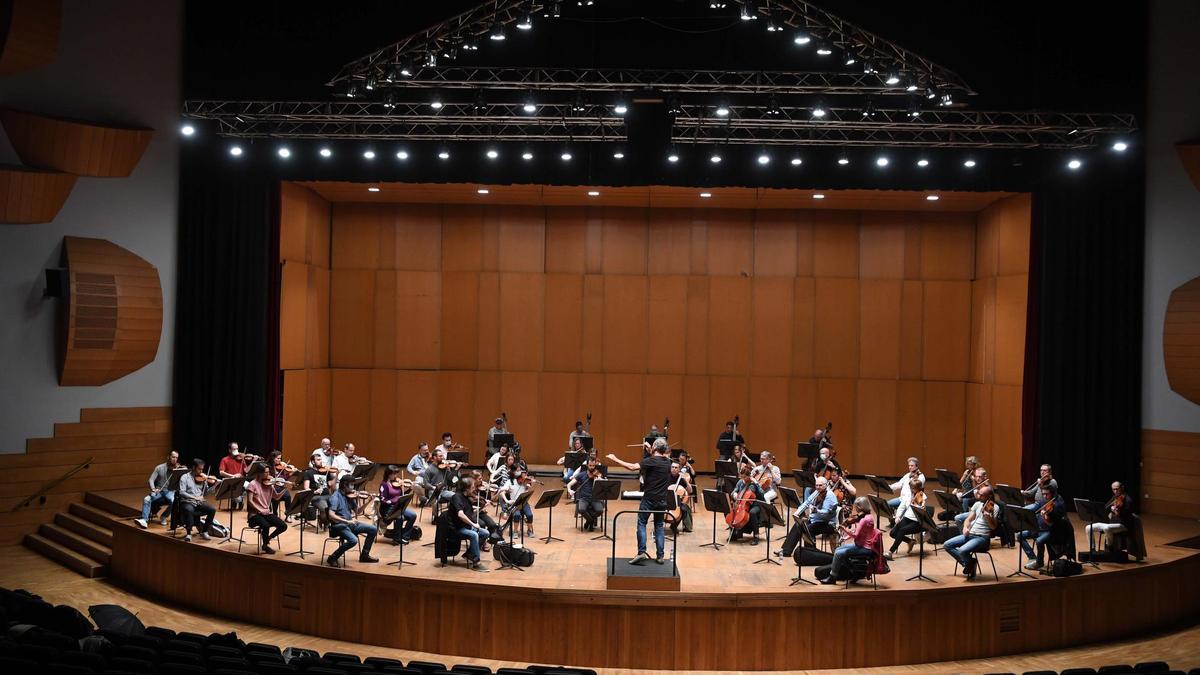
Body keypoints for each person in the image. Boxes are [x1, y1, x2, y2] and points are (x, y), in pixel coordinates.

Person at [608, 438, 673, 565]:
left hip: (649, 499)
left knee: (642, 523)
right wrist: (650, 450)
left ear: (654, 447)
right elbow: (657, 458)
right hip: (662, 500)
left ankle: (641, 552)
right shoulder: (668, 462)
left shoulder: (650, 461)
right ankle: (660, 556)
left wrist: (615, 459)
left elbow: (632, 467)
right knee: (659, 526)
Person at [817, 496, 878, 584]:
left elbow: (855, 534)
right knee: (838, 550)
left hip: (865, 548)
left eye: (856, 507)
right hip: (861, 545)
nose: (855, 510)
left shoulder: (864, 520)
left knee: (838, 553)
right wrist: (845, 537)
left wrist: (844, 529)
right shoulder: (868, 516)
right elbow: (858, 532)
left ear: (860, 507)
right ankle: (856, 572)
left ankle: (832, 577)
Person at [944, 485, 999, 579]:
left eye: (981, 495)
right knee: (947, 545)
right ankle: (970, 563)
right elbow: (968, 519)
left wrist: (988, 517)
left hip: (982, 538)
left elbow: (993, 527)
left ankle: (969, 564)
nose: (978, 496)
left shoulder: (995, 507)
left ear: (989, 496)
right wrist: (965, 528)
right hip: (970, 534)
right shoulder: (978, 504)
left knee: (962, 550)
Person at [326, 475, 378, 566]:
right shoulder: (335, 497)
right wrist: (346, 521)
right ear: (345, 485)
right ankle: (333, 557)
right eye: (351, 485)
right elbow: (331, 515)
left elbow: (358, 511)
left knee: (373, 529)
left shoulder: (348, 496)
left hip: (350, 524)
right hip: (339, 526)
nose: (353, 487)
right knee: (353, 540)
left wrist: (369, 500)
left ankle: (364, 555)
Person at [780, 475, 837, 558]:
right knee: (798, 525)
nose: (818, 487)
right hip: (816, 520)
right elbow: (806, 502)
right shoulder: (817, 492)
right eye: (816, 485)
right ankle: (786, 551)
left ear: (826, 485)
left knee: (807, 529)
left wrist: (816, 510)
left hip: (827, 523)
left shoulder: (829, 495)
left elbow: (826, 513)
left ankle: (810, 553)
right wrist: (797, 513)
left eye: (820, 485)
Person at [447, 477, 490, 571]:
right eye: (472, 487)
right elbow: (460, 514)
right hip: (457, 528)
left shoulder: (467, 498)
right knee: (474, 534)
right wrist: (473, 525)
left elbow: (470, 513)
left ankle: (469, 554)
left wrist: (481, 508)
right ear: (466, 489)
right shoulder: (457, 497)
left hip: (466, 526)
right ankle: (476, 563)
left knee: (485, 533)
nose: (474, 489)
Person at [1020, 484, 1066, 570]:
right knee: (1020, 535)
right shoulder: (1043, 501)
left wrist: (1045, 518)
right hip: (1038, 528)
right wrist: (1025, 513)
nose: (1044, 496)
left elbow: (1052, 525)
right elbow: (1035, 509)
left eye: (1047, 494)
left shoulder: (1057, 505)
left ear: (1052, 493)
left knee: (1039, 541)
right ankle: (1032, 557)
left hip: (1050, 531)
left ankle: (1039, 562)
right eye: (1043, 494)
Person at [244, 467, 287, 554]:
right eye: (266, 473)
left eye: (268, 472)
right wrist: (260, 510)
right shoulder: (252, 484)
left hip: (266, 513)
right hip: (254, 515)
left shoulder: (269, 484)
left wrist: (285, 488)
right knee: (266, 525)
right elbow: (250, 501)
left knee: (283, 526)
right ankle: (265, 545)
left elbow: (277, 497)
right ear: (259, 473)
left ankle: (268, 538)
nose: (268, 475)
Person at [136, 450, 180, 529]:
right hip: (159, 490)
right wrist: (153, 488)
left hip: (170, 491)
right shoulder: (159, 467)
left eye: (176, 458)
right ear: (168, 457)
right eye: (173, 457)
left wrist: (181, 471)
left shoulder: (178, 469)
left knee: (174, 501)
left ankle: (164, 516)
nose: (175, 459)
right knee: (146, 499)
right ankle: (144, 520)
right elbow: (151, 480)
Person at [177, 458, 218, 542]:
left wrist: (215, 485)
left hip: (199, 502)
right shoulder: (184, 477)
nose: (201, 471)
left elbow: (206, 493)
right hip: (187, 501)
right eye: (199, 469)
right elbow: (181, 492)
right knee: (189, 510)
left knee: (212, 509)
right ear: (193, 467)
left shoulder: (203, 478)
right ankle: (189, 533)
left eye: (202, 469)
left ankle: (204, 531)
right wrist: (194, 497)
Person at [886, 477, 926, 560]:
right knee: (893, 533)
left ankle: (890, 552)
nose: (911, 490)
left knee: (902, 530)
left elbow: (920, 508)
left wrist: (922, 505)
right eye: (910, 488)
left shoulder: (921, 495)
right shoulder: (908, 494)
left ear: (918, 489)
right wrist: (897, 517)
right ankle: (910, 541)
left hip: (917, 521)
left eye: (913, 489)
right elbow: (902, 506)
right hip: (907, 518)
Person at [1086, 481, 1135, 549]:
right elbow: (1105, 508)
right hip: (1110, 523)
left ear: (1122, 488)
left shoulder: (1128, 500)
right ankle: (1092, 548)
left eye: (1117, 489)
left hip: (1123, 525)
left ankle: (1110, 547)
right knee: (1088, 528)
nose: (1115, 491)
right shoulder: (1114, 498)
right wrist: (1107, 509)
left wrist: (1117, 511)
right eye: (1113, 489)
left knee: (1107, 528)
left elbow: (1127, 515)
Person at [378, 465, 417, 545]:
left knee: (413, 515)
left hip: (398, 507)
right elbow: (383, 500)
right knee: (400, 518)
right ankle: (397, 539)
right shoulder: (384, 484)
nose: (396, 476)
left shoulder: (397, 483)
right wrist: (394, 500)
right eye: (394, 474)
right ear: (388, 474)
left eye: (396, 474)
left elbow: (402, 496)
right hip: (388, 509)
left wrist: (410, 489)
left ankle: (405, 536)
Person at [729, 464, 766, 542]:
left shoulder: (754, 483)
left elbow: (762, 495)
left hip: (756, 504)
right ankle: (736, 534)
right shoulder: (740, 482)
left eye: (745, 477)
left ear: (749, 476)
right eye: (742, 477)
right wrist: (735, 494)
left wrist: (756, 484)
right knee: (730, 512)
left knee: (752, 513)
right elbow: (733, 492)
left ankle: (756, 536)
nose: (743, 479)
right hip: (743, 504)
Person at [567, 458, 605, 531]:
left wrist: (599, 480)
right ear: (587, 465)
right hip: (584, 498)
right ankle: (591, 522)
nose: (592, 467)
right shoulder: (581, 475)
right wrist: (569, 490)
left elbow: (603, 484)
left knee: (600, 510)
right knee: (581, 509)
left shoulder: (598, 474)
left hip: (595, 498)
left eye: (593, 466)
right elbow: (569, 484)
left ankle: (588, 522)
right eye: (590, 465)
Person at [499, 469, 535, 537]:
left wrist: (529, 486)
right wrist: (507, 501)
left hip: (524, 503)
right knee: (517, 515)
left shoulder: (525, 483)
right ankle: (515, 531)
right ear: (518, 478)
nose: (525, 480)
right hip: (514, 503)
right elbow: (502, 492)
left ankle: (529, 530)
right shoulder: (510, 482)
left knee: (530, 515)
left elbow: (529, 487)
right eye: (523, 478)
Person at [217, 442, 252, 508]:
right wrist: (232, 476)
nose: (237, 451)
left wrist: (252, 461)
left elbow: (247, 471)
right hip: (231, 481)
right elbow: (221, 472)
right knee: (237, 498)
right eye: (234, 449)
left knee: (251, 487)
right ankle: (238, 499)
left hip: (241, 480)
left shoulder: (241, 459)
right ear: (229, 450)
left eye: (237, 449)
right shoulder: (225, 459)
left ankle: (239, 498)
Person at [668, 460, 694, 534]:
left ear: (679, 469)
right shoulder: (666, 477)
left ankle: (674, 525)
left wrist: (685, 480)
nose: (674, 469)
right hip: (666, 499)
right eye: (672, 467)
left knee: (684, 509)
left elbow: (690, 491)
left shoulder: (681, 479)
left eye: (676, 467)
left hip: (677, 501)